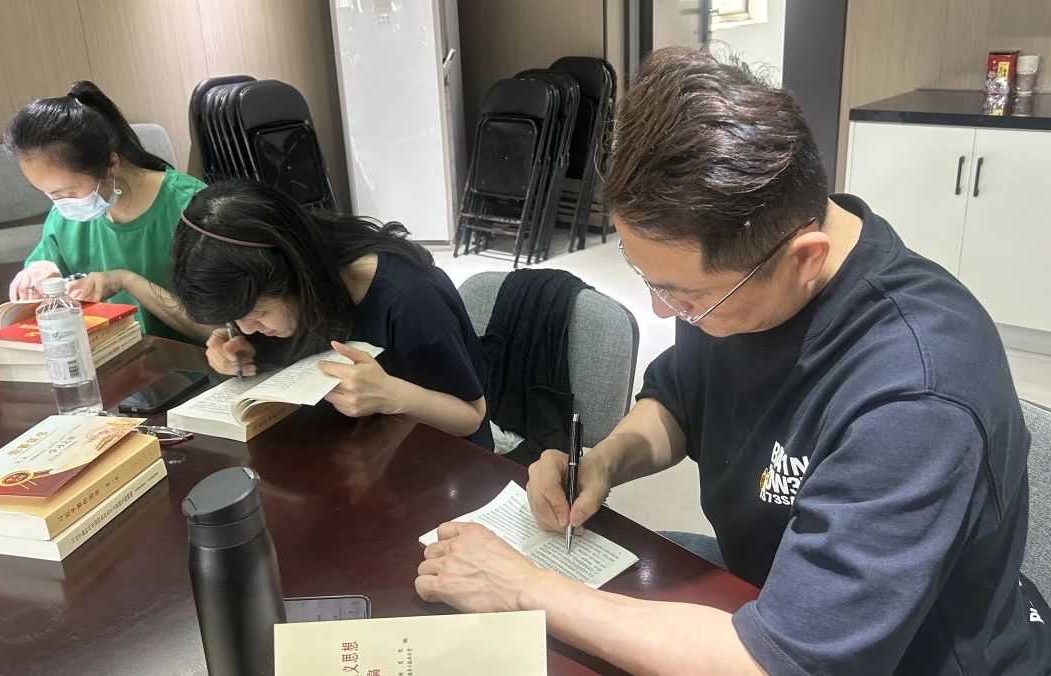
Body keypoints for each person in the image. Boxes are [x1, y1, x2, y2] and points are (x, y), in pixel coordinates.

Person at [414, 47, 1051, 674]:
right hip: (763, 592)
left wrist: (524, 589)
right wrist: (606, 461)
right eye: (648, 280)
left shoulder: (917, 396)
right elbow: (678, 401)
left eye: (683, 296)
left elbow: (786, 663)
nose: (663, 311)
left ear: (804, 258)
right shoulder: (743, 273)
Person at [170, 180, 493, 450]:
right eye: (235, 319)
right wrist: (238, 345)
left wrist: (393, 395)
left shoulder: (408, 299)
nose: (247, 328)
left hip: (439, 459)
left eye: (258, 313)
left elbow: (471, 417)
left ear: (297, 276)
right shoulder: (288, 285)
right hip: (351, 447)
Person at [4, 80, 208, 343]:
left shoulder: (190, 207)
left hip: (191, 360)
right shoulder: (64, 220)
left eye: (68, 192)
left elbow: (222, 330)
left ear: (111, 164)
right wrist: (41, 273)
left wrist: (127, 280)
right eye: (48, 194)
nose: (59, 204)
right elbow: (45, 279)